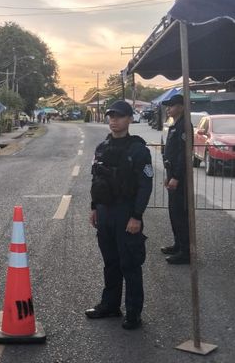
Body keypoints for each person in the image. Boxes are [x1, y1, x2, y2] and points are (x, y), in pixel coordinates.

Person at [86, 100, 153, 330]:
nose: (114, 120)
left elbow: (145, 186)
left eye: (119, 116)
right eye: (111, 116)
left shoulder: (139, 150)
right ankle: (110, 305)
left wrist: (136, 216)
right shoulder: (102, 148)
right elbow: (97, 180)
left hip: (126, 213)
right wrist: (94, 207)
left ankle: (133, 313)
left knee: (130, 264)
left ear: (130, 119)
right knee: (111, 262)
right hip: (105, 212)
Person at [160, 94, 191, 265]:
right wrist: (169, 176)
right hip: (172, 174)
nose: (168, 109)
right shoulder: (175, 125)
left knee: (180, 213)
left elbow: (183, 155)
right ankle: (178, 244)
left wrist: (177, 177)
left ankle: (185, 251)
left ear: (180, 107)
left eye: (171, 105)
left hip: (180, 177)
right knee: (174, 213)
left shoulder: (185, 126)